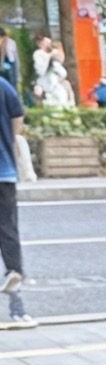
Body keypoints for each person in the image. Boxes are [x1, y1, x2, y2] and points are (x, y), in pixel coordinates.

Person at [0, 74, 35, 327]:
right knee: (7, 227)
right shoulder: (3, 86)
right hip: (4, 170)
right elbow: (17, 121)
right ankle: (14, 272)